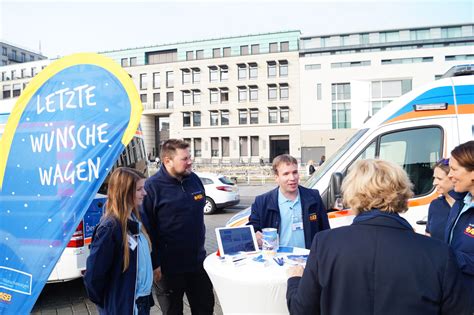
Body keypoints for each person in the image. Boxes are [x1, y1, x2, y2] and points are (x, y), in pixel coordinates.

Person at [286, 159, 470, 315]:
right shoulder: (438, 253)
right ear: (403, 193)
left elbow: (303, 310)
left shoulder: (325, 244)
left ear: (353, 194)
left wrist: (295, 281)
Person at [141, 139, 214, 315]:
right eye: (185, 158)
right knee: (173, 311)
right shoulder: (152, 188)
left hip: (197, 263)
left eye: (190, 157)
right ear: (167, 161)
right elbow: (146, 229)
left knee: (205, 308)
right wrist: (154, 263)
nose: (190, 161)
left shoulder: (194, 180)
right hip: (167, 269)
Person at [84, 167, 154, 315]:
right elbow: (94, 277)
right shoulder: (110, 229)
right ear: (125, 192)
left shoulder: (135, 219)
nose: (145, 193)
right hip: (124, 307)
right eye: (139, 189)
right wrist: (110, 303)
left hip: (139, 302)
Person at [248, 154, 329, 249]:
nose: (292, 178)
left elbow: (325, 232)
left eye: (295, 172)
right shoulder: (262, 202)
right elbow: (251, 231)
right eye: (286, 174)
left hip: (309, 260)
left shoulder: (313, 197)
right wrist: (255, 236)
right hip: (277, 261)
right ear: (276, 177)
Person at [446, 140, 474, 311]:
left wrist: (444, 255)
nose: (450, 175)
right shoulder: (460, 203)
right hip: (458, 299)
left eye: (454, 169)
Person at [425, 158, 455, 240]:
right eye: (434, 178)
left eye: (439, 179)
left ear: (454, 178)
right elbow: (428, 235)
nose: (434, 183)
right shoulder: (435, 205)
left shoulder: (468, 205)